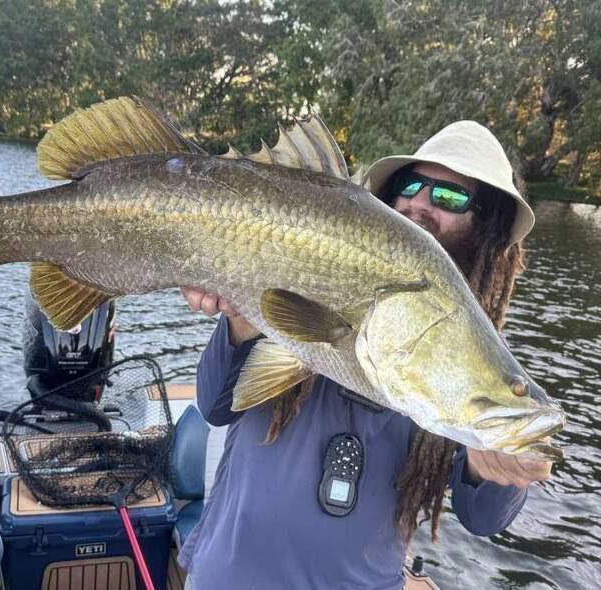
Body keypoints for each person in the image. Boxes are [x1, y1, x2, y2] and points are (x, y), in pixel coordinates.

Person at [178, 121, 553, 590]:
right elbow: (216, 404)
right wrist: (240, 320)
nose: (419, 202)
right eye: (412, 185)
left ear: (487, 228)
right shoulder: (298, 262)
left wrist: (490, 468)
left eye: (451, 197)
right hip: (228, 576)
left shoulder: (479, 369)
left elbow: (482, 516)